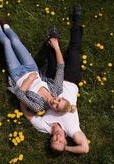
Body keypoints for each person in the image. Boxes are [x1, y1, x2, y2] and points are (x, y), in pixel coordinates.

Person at [20, 5, 89, 154]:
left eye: (54, 141)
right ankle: (76, 20)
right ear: (65, 141)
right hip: (70, 80)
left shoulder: (46, 127)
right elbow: (85, 148)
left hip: (51, 82)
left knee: (51, 54)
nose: (57, 138)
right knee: (74, 50)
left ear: (50, 140)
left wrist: (22, 96)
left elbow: (27, 113)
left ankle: (52, 39)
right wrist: (66, 148)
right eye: (60, 142)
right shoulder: (72, 130)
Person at [0, 21, 74, 114]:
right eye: (59, 101)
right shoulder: (57, 89)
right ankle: (7, 28)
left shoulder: (39, 107)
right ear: (61, 98)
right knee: (15, 42)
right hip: (31, 68)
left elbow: (20, 95)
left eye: (56, 106)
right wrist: (56, 48)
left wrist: (30, 80)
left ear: (55, 111)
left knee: (7, 43)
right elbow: (60, 67)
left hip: (17, 75)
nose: (55, 102)